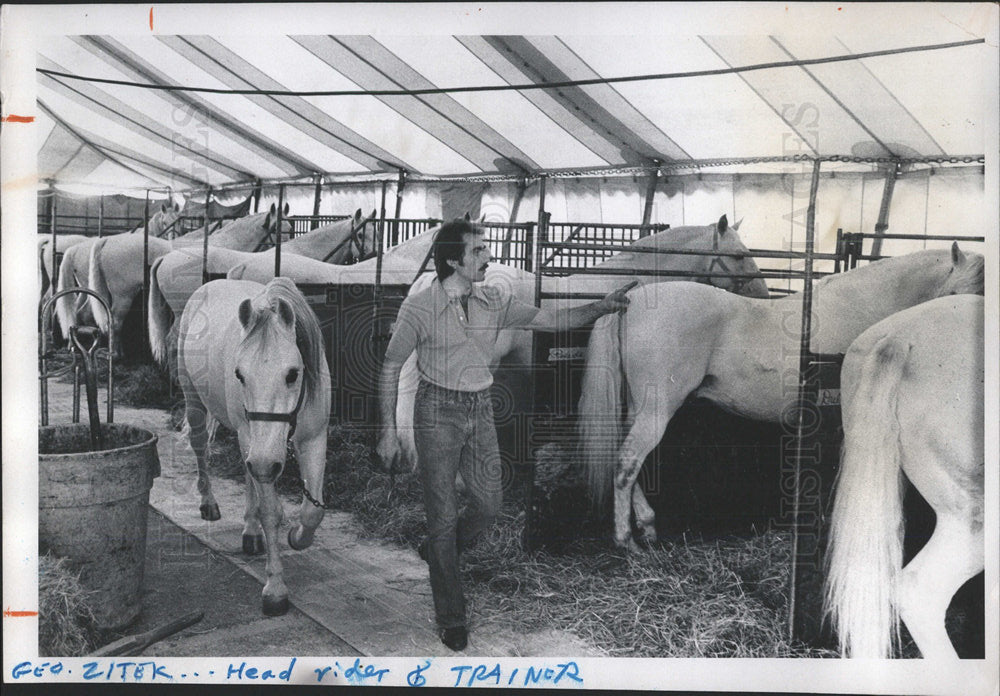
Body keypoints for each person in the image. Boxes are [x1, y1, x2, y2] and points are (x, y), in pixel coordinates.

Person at [376, 218, 635, 652]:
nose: (489, 257)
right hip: (436, 410)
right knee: (440, 512)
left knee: (490, 503)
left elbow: (550, 319)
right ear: (454, 260)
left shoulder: (495, 299)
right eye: (479, 251)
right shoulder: (419, 308)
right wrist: (386, 429)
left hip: (481, 408)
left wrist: (600, 308)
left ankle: (440, 549)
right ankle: (451, 614)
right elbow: (389, 366)